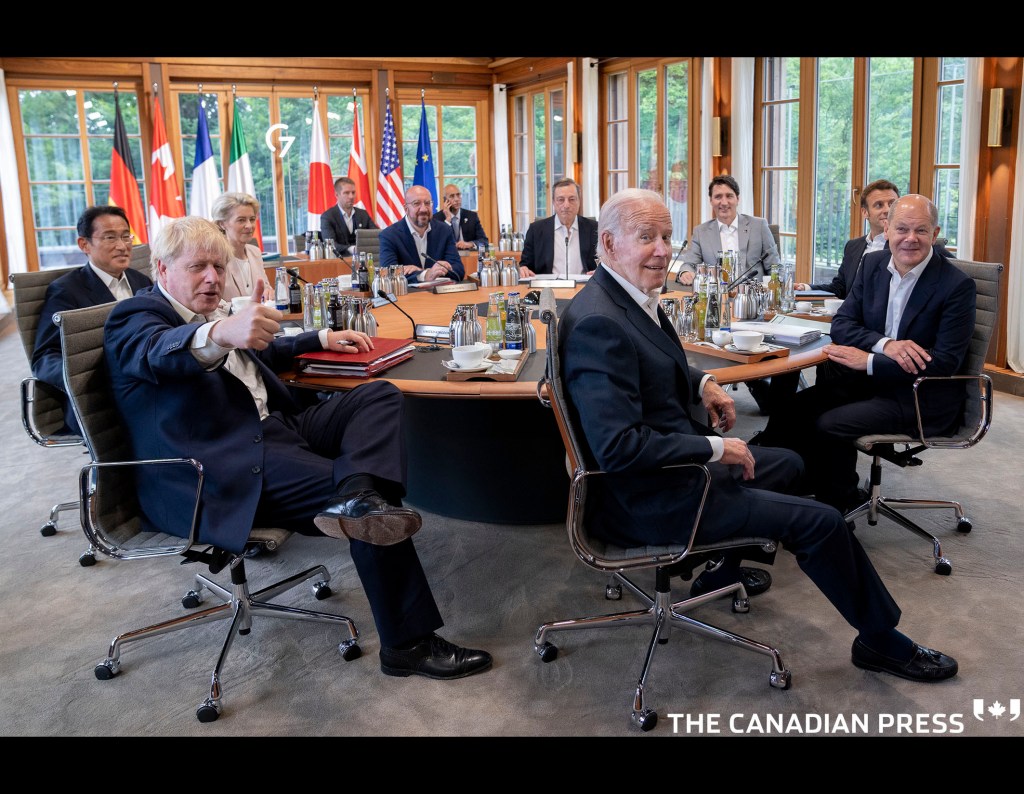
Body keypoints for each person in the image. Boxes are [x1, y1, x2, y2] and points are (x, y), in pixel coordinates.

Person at [558, 187, 958, 683]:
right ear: (610, 244)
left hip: (671, 472)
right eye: (647, 237)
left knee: (788, 462)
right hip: (653, 496)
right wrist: (715, 446)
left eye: (666, 235)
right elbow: (619, 449)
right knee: (824, 522)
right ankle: (881, 641)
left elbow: (659, 359)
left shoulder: (628, 296)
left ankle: (722, 568)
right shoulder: (600, 321)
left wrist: (704, 383)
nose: (662, 249)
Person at [103, 215, 491, 680]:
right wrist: (221, 332)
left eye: (218, 268)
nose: (212, 278)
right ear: (163, 271)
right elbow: (157, 350)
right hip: (219, 467)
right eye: (197, 268)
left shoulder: (210, 312)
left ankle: (358, 493)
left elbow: (256, 352)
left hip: (275, 429)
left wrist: (320, 338)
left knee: (379, 394)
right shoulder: (136, 317)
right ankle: (407, 642)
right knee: (368, 512)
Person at [768, 194, 975, 515]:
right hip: (871, 384)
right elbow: (843, 325)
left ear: (934, 235)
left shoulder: (956, 286)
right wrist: (885, 345)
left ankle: (836, 507)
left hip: (921, 397)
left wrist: (868, 360)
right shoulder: (875, 263)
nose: (910, 239)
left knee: (829, 424)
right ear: (887, 230)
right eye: (901, 229)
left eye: (921, 231)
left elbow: (944, 362)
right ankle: (793, 489)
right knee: (791, 410)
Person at [32, 205, 151, 435]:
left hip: (144, 381)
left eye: (126, 236)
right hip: (97, 398)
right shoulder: (66, 291)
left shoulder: (141, 282)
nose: (122, 245)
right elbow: (45, 358)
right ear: (84, 245)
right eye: (110, 237)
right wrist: (86, 381)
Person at [794, 179, 901, 296]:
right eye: (879, 205)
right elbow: (840, 287)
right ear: (865, 212)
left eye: (892, 204)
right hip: (850, 312)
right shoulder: (853, 246)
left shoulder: (902, 247)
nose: (887, 210)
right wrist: (806, 288)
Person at [676, 175, 779, 286]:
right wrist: (685, 272)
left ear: (737, 199)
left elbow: (775, 267)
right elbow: (689, 264)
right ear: (711, 201)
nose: (724, 203)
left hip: (753, 297)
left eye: (729, 196)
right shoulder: (701, 232)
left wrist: (782, 286)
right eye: (718, 197)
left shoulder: (759, 226)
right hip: (718, 297)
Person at [379, 185, 464, 285]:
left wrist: (425, 272)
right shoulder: (389, 235)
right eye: (416, 204)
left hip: (439, 295)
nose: (423, 209)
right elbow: (388, 274)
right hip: (407, 297)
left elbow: (458, 271)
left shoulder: (444, 230)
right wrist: (425, 274)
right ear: (406, 208)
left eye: (427, 203)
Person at [518, 179, 599, 278]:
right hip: (547, 288)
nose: (566, 205)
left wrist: (600, 272)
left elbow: (607, 263)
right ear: (553, 202)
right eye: (561, 200)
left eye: (572, 199)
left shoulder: (595, 228)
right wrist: (523, 269)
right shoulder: (536, 230)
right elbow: (525, 265)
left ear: (579, 201)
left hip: (585, 288)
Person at [211, 192, 272, 302]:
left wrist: (269, 292)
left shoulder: (255, 252)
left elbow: (266, 288)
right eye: (241, 220)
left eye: (252, 219)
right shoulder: (214, 256)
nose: (249, 226)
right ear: (222, 224)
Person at [320, 176, 377, 258]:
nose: (351, 196)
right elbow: (330, 244)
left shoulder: (363, 214)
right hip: (339, 262)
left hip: (364, 261)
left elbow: (376, 235)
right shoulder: (328, 217)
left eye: (353, 192)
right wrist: (351, 248)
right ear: (337, 195)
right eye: (346, 193)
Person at [432, 183, 488, 250]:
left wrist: (470, 244)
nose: (456, 199)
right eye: (452, 196)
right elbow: (437, 243)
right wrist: (447, 220)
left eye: (458, 195)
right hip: (447, 258)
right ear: (445, 200)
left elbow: (484, 241)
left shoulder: (471, 216)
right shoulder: (437, 218)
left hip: (468, 257)